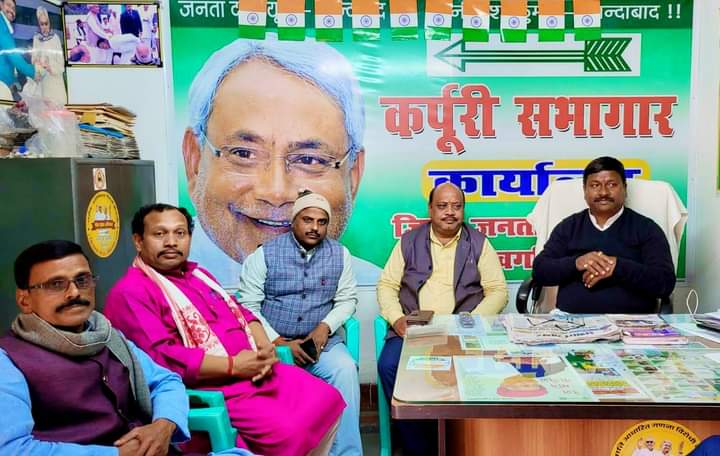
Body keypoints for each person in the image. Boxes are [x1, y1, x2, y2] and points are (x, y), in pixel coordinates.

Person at [105, 203, 345, 455]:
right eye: (160, 234)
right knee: (288, 432)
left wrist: (264, 348)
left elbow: (241, 312)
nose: (171, 242)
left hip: (256, 372)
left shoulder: (198, 274)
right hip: (216, 388)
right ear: (138, 241)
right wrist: (234, 366)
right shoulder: (131, 292)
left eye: (180, 233)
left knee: (327, 399)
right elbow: (163, 358)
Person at [182, 37, 380, 288]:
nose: (276, 193)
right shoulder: (150, 292)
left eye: (309, 160)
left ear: (353, 175)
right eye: (244, 154)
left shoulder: (374, 290)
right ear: (195, 161)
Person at [0, 240, 189, 455]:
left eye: (82, 280)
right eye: (56, 284)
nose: (74, 293)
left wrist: (163, 425)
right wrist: (118, 454)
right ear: (24, 300)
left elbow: (166, 381)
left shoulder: (107, 336)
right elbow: (12, 449)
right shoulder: (8, 360)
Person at [376, 182, 508, 456]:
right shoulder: (409, 241)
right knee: (389, 366)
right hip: (414, 331)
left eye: (456, 206)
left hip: (463, 330)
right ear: (430, 210)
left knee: (477, 370)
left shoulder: (479, 243)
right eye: (442, 206)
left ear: (463, 210)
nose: (450, 212)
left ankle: (462, 442)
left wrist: (468, 323)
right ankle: (419, 447)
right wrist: (397, 319)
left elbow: (498, 291)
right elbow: (387, 285)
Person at [238, 191, 362, 455]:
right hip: (272, 345)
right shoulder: (264, 255)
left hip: (321, 345)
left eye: (321, 222)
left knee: (345, 369)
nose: (315, 227)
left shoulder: (340, 254)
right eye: (308, 220)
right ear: (293, 221)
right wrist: (277, 342)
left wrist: (325, 327)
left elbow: (347, 300)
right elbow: (247, 305)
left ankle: (347, 452)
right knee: (271, 389)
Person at [532, 156, 676, 314]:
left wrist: (617, 267)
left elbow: (664, 282)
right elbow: (540, 271)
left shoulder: (647, 228)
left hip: (632, 323)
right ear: (585, 191)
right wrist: (577, 263)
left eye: (612, 184)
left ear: (624, 189)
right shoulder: (569, 227)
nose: (603, 192)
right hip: (572, 321)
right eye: (595, 185)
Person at [0, 0, 37, 96]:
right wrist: (35, 72)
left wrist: (14, 81)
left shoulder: (6, 28)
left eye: (14, 8)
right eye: (8, 5)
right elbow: (13, 56)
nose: (11, 10)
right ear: (1, 4)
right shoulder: (1, 24)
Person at [31, 6, 66, 106]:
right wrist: (37, 63)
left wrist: (50, 67)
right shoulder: (36, 38)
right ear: (38, 25)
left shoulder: (55, 38)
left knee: (57, 109)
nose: (44, 27)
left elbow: (61, 65)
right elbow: (33, 59)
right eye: (42, 24)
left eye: (46, 23)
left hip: (55, 82)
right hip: (42, 83)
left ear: (49, 23)